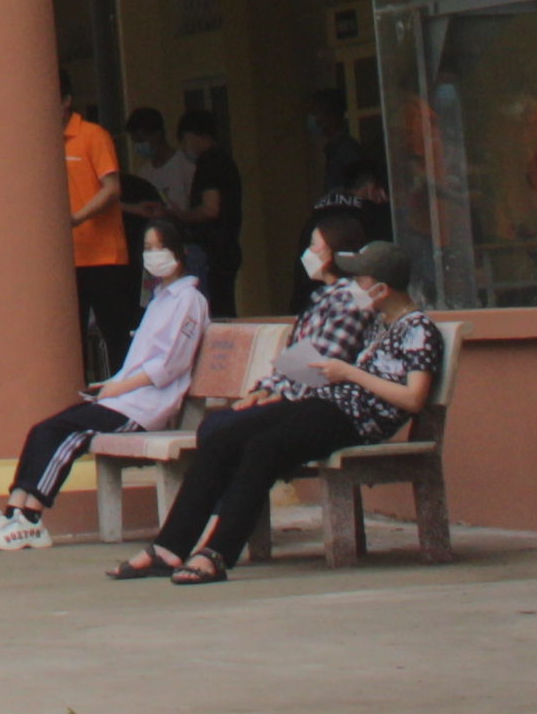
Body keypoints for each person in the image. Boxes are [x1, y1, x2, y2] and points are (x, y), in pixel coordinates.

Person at [119, 224, 441, 582]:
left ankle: (217, 552)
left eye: (362, 280)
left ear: (382, 289)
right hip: (327, 403)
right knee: (223, 438)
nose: (356, 287)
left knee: (263, 449)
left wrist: (349, 373)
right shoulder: (380, 323)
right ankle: (169, 547)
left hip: (355, 418)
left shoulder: (418, 329)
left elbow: (414, 398)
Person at [0, 213, 209, 550]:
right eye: (148, 248)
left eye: (161, 247)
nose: (153, 255)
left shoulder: (190, 301)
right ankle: (14, 511)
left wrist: (120, 388)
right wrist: (110, 387)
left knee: (70, 434)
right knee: (43, 429)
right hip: (124, 399)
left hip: (143, 408)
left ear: (180, 251)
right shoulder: (159, 299)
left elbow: (170, 364)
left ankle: (32, 519)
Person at [63, 79, 137, 373]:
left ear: (66, 100)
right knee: (71, 341)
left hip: (104, 256)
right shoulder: (41, 139)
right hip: (68, 259)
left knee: (115, 334)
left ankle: (124, 392)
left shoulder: (93, 135)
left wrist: (77, 218)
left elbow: (112, 188)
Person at [177, 104, 249, 312]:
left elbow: (210, 209)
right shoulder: (224, 160)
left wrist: (181, 216)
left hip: (212, 253)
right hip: (226, 249)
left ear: (199, 135)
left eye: (186, 140)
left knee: (214, 311)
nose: (185, 147)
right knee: (223, 307)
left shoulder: (209, 162)